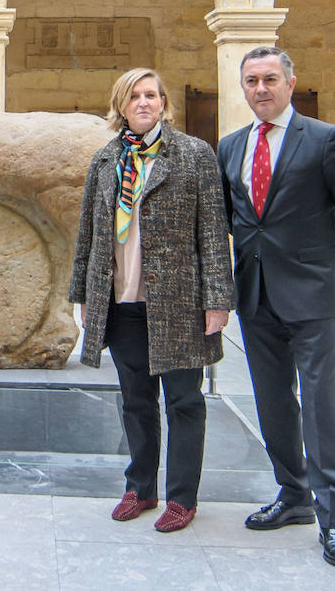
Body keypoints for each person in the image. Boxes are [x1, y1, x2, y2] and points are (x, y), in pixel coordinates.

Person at [216, 46, 335, 568]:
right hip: (256, 296)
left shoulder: (326, 140)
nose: (260, 89)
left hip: (312, 297)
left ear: (290, 82)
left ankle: (334, 520)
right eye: (250, 81)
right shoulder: (231, 146)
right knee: (273, 400)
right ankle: (294, 495)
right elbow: (229, 219)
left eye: (269, 79)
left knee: (320, 400)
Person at [69, 68, 234, 533]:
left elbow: (213, 234)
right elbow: (89, 233)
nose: (144, 102)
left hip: (180, 302)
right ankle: (140, 487)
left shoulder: (194, 155)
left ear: (163, 103)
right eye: (134, 96)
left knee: (184, 402)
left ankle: (182, 497)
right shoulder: (105, 160)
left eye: (152, 95)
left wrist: (217, 299)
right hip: (122, 302)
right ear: (121, 106)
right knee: (136, 401)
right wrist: (84, 294)